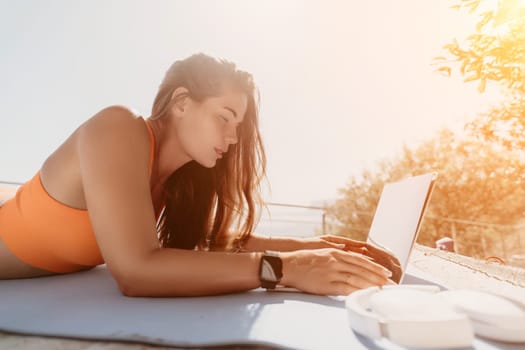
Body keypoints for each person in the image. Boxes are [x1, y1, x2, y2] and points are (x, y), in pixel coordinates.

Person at [0, 53, 400, 296]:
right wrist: (286, 269)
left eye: (238, 128)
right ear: (181, 103)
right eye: (225, 118)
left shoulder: (173, 179)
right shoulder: (117, 129)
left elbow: (209, 241)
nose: (232, 139)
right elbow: (136, 271)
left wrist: (313, 247)